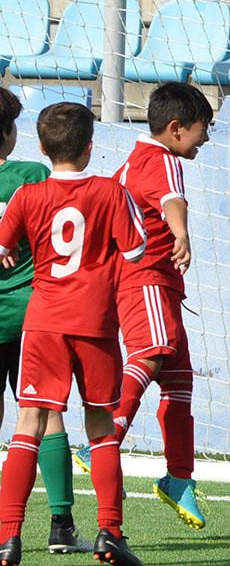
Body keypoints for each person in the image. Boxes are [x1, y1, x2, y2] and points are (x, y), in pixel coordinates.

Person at [0, 102, 147, 565]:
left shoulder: (28, 195)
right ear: (89, 147)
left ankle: (7, 539)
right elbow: (137, 247)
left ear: (42, 147)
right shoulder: (109, 191)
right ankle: (110, 533)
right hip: (94, 324)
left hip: (43, 323)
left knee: (28, 425)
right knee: (102, 427)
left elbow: (3, 245)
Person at [74, 83, 212, 530]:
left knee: (178, 378)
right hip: (146, 279)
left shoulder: (130, 163)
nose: (205, 139)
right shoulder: (162, 159)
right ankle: (103, 438)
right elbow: (173, 198)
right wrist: (182, 233)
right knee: (153, 352)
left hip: (151, 283)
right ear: (175, 129)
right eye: (201, 130)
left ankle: (179, 477)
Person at [0, 89, 94, 556]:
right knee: (45, 412)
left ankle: (4, 525)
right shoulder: (34, 178)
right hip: (32, 311)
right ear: (11, 135)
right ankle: (60, 523)